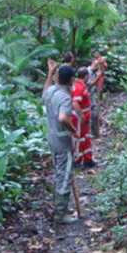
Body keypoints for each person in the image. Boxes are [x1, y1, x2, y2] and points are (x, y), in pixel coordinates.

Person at [42, 60, 79, 224]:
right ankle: (60, 213)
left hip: (52, 139)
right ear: (71, 80)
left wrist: (50, 74)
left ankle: (61, 205)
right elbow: (63, 117)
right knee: (64, 175)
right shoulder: (64, 97)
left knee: (59, 172)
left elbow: (44, 92)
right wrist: (73, 129)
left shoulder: (51, 91)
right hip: (62, 142)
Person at [72, 67, 96, 169]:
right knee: (79, 139)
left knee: (85, 138)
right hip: (79, 119)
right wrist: (81, 116)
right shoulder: (79, 88)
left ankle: (87, 159)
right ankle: (77, 160)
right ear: (86, 76)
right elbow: (75, 103)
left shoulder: (81, 86)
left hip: (84, 118)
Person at [87, 59, 104, 137]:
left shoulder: (94, 71)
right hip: (86, 97)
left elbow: (102, 72)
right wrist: (98, 77)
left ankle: (94, 132)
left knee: (94, 114)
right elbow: (89, 85)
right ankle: (92, 132)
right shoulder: (88, 72)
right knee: (92, 114)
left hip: (91, 96)